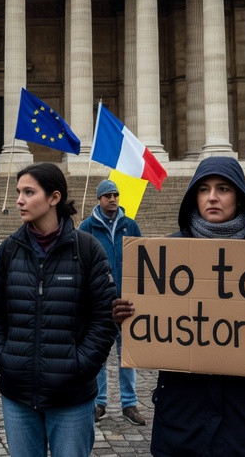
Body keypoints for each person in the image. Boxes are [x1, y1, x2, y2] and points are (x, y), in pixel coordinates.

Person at [112, 157, 245, 457]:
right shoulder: (164, 254)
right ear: (193, 196)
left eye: (223, 189)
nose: (212, 197)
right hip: (184, 413)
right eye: (204, 189)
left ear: (239, 196)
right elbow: (155, 325)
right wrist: (127, 316)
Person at [0, 162, 115, 457]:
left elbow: (104, 318)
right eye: (18, 192)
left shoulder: (88, 249)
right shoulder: (8, 250)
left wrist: (80, 365)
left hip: (72, 396)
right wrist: (0, 357)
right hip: (17, 393)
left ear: (54, 198)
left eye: (29, 192)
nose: (19, 199)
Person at [77, 178, 145, 426]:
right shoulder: (87, 227)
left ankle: (129, 403)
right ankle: (99, 403)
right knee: (99, 355)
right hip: (99, 303)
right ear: (99, 199)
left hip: (126, 301)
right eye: (108, 196)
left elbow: (142, 260)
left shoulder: (130, 225)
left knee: (127, 355)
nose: (113, 199)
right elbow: (80, 263)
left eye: (116, 195)